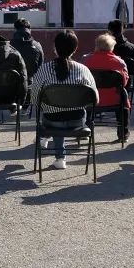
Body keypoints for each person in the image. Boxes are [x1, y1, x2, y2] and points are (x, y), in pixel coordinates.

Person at [30, 29, 97, 170]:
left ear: (55, 47)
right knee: (63, 115)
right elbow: (95, 99)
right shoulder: (83, 70)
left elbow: (34, 99)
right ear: (75, 48)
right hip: (77, 121)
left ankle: (60, 158)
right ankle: (60, 158)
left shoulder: (43, 70)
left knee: (55, 118)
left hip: (51, 121)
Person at [83, 33, 131, 141]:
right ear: (111, 47)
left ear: (96, 46)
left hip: (91, 99)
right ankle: (123, 134)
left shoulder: (86, 60)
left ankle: (86, 129)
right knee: (123, 95)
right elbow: (124, 82)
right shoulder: (119, 62)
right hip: (113, 99)